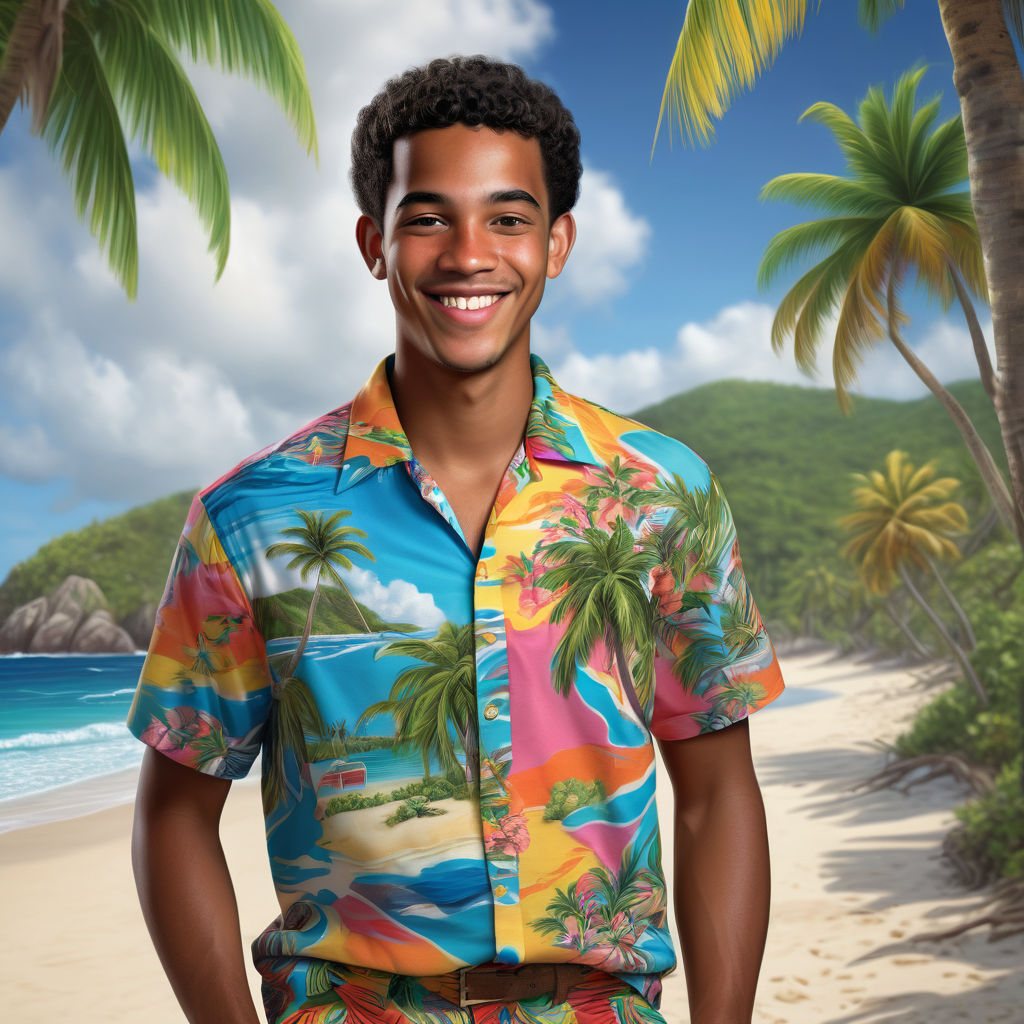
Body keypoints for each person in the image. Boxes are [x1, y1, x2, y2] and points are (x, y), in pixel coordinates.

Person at [128, 55, 785, 1024]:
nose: (469, 252)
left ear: (556, 242)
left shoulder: (663, 495)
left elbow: (716, 792)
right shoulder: (250, 515)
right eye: (428, 216)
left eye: (508, 217)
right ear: (373, 241)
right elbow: (175, 810)